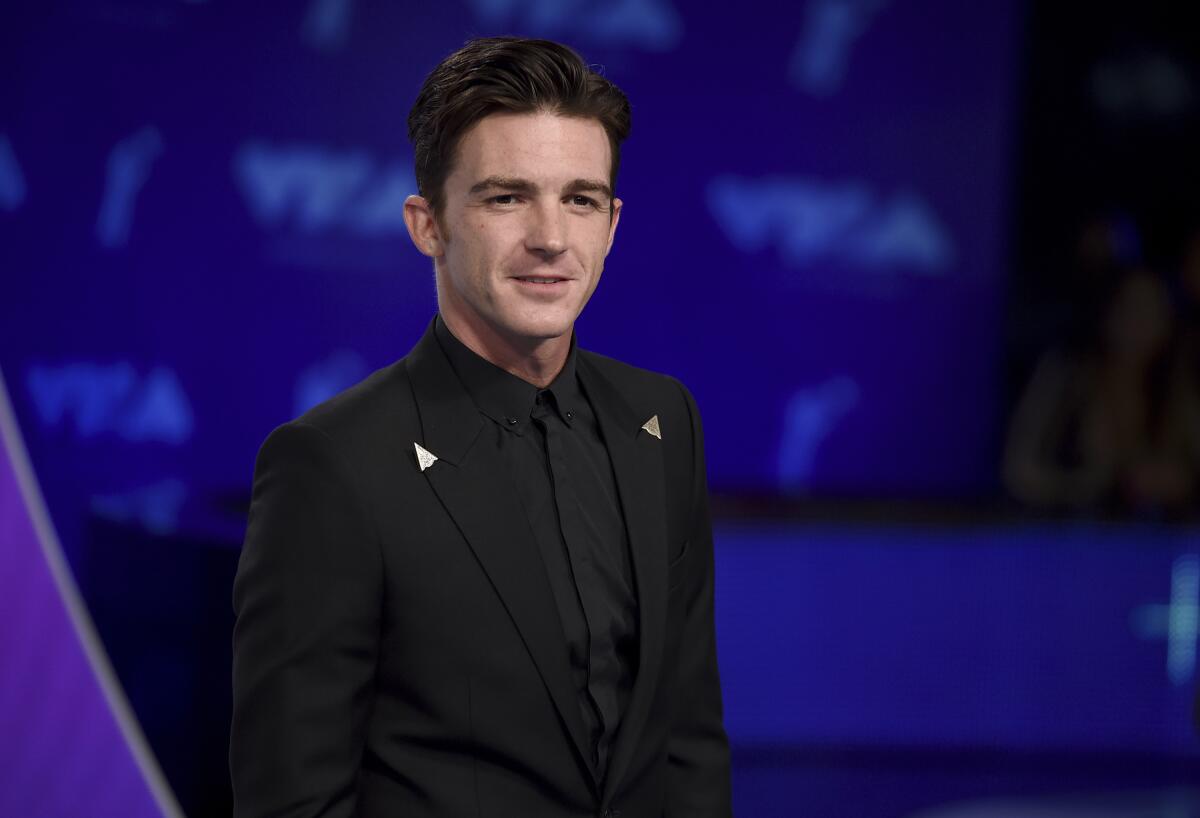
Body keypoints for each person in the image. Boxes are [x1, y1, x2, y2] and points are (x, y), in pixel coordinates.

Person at [230, 36, 732, 818]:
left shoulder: (662, 420)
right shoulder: (332, 465)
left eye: (580, 199)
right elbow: (293, 798)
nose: (551, 238)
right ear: (427, 225)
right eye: (507, 197)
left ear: (612, 223)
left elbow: (687, 738)